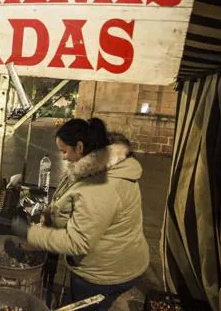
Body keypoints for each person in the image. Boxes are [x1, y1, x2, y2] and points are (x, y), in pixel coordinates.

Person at [10, 118, 150, 311]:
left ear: (80, 146)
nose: (64, 157)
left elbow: (78, 242)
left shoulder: (101, 187)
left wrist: (30, 233)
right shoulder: (94, 167)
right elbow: (75, 203)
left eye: (64, 151)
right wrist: (49, 215)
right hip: (117, 259)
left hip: (106, 272)